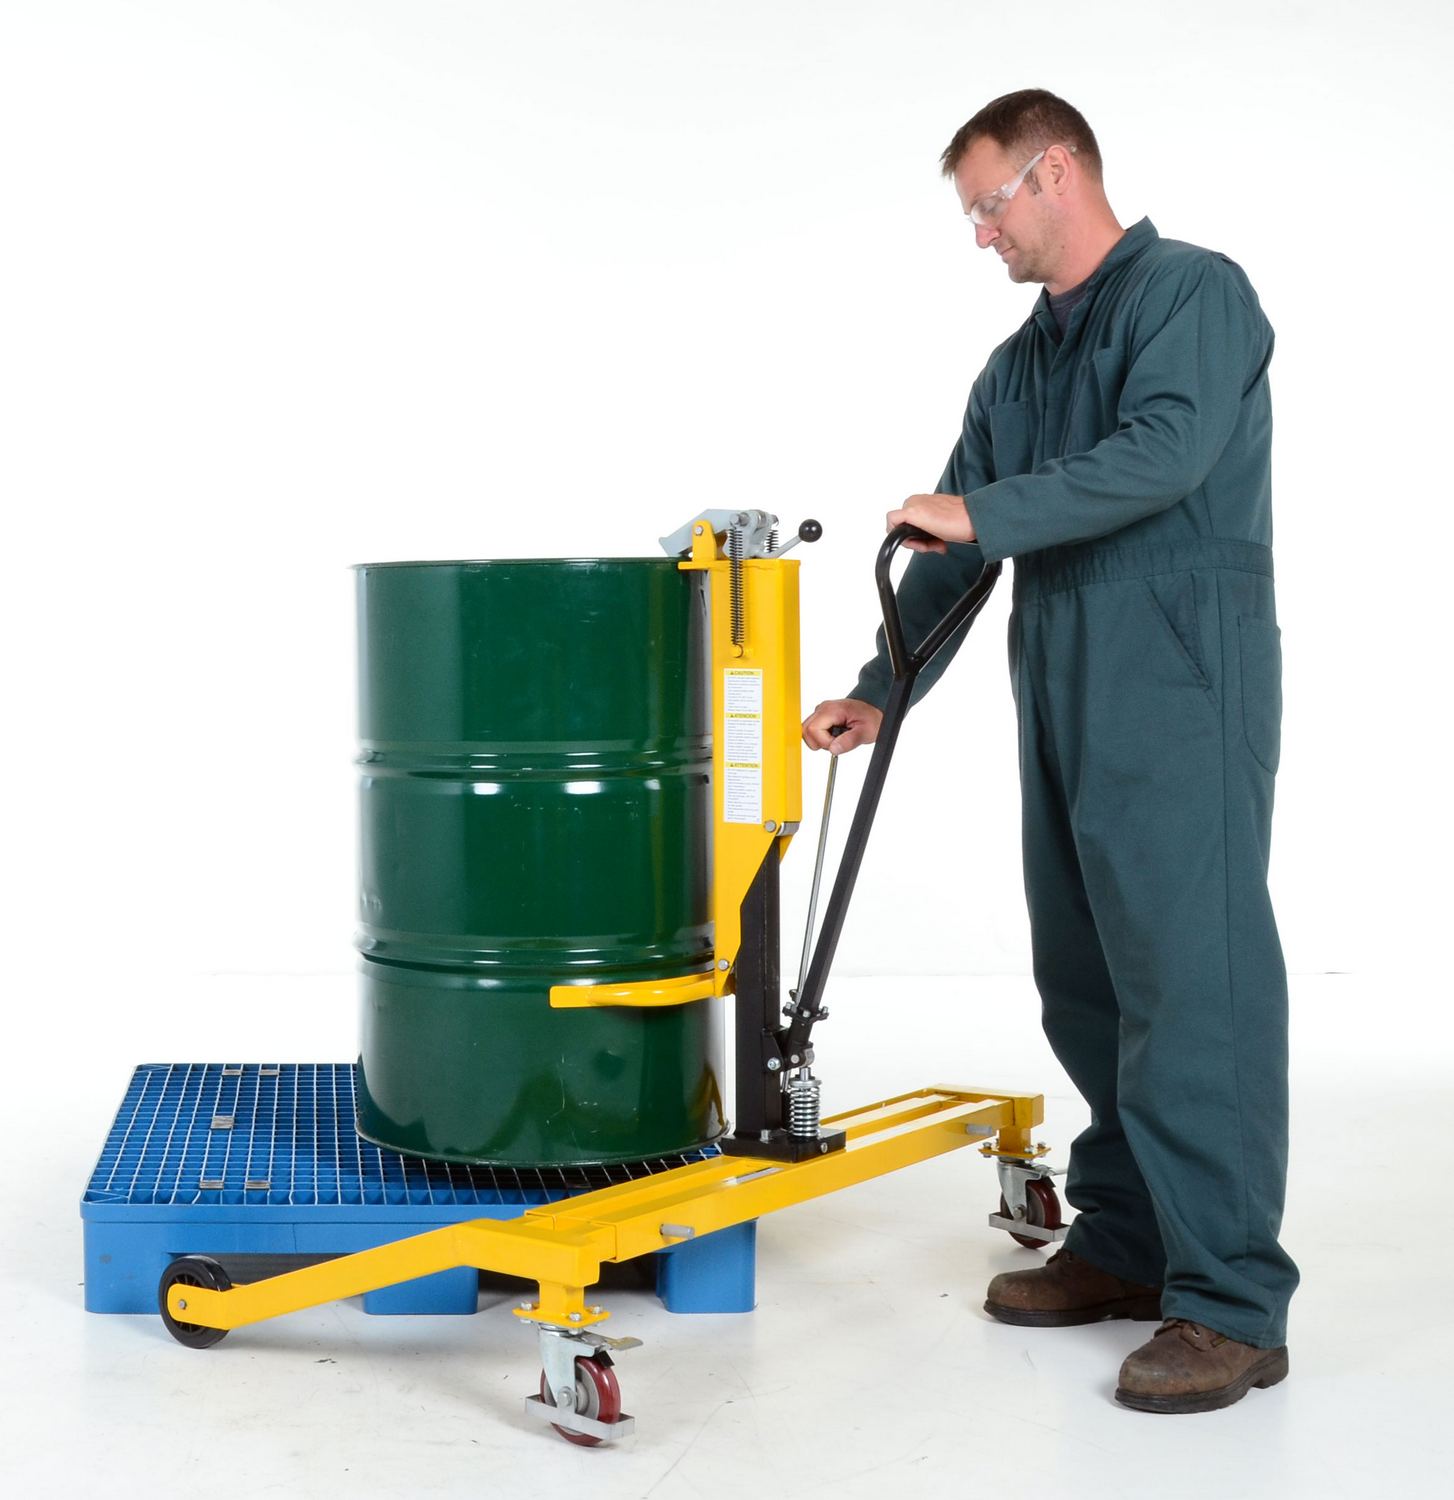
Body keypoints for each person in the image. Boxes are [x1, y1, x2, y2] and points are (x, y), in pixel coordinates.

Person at [801, 89, 1297, 1415]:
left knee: (1191, 983)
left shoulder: (1191, 294)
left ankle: (1230, 1302)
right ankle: (1127, 1240)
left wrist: (981, 510)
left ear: (1056, 170)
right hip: (1064, 674)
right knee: (1082, 976)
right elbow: (959, 551)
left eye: (987, 204)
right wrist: (881, 690)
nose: (980, 234)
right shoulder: (1014, 370)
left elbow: (1162, 454)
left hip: (1180, 672)